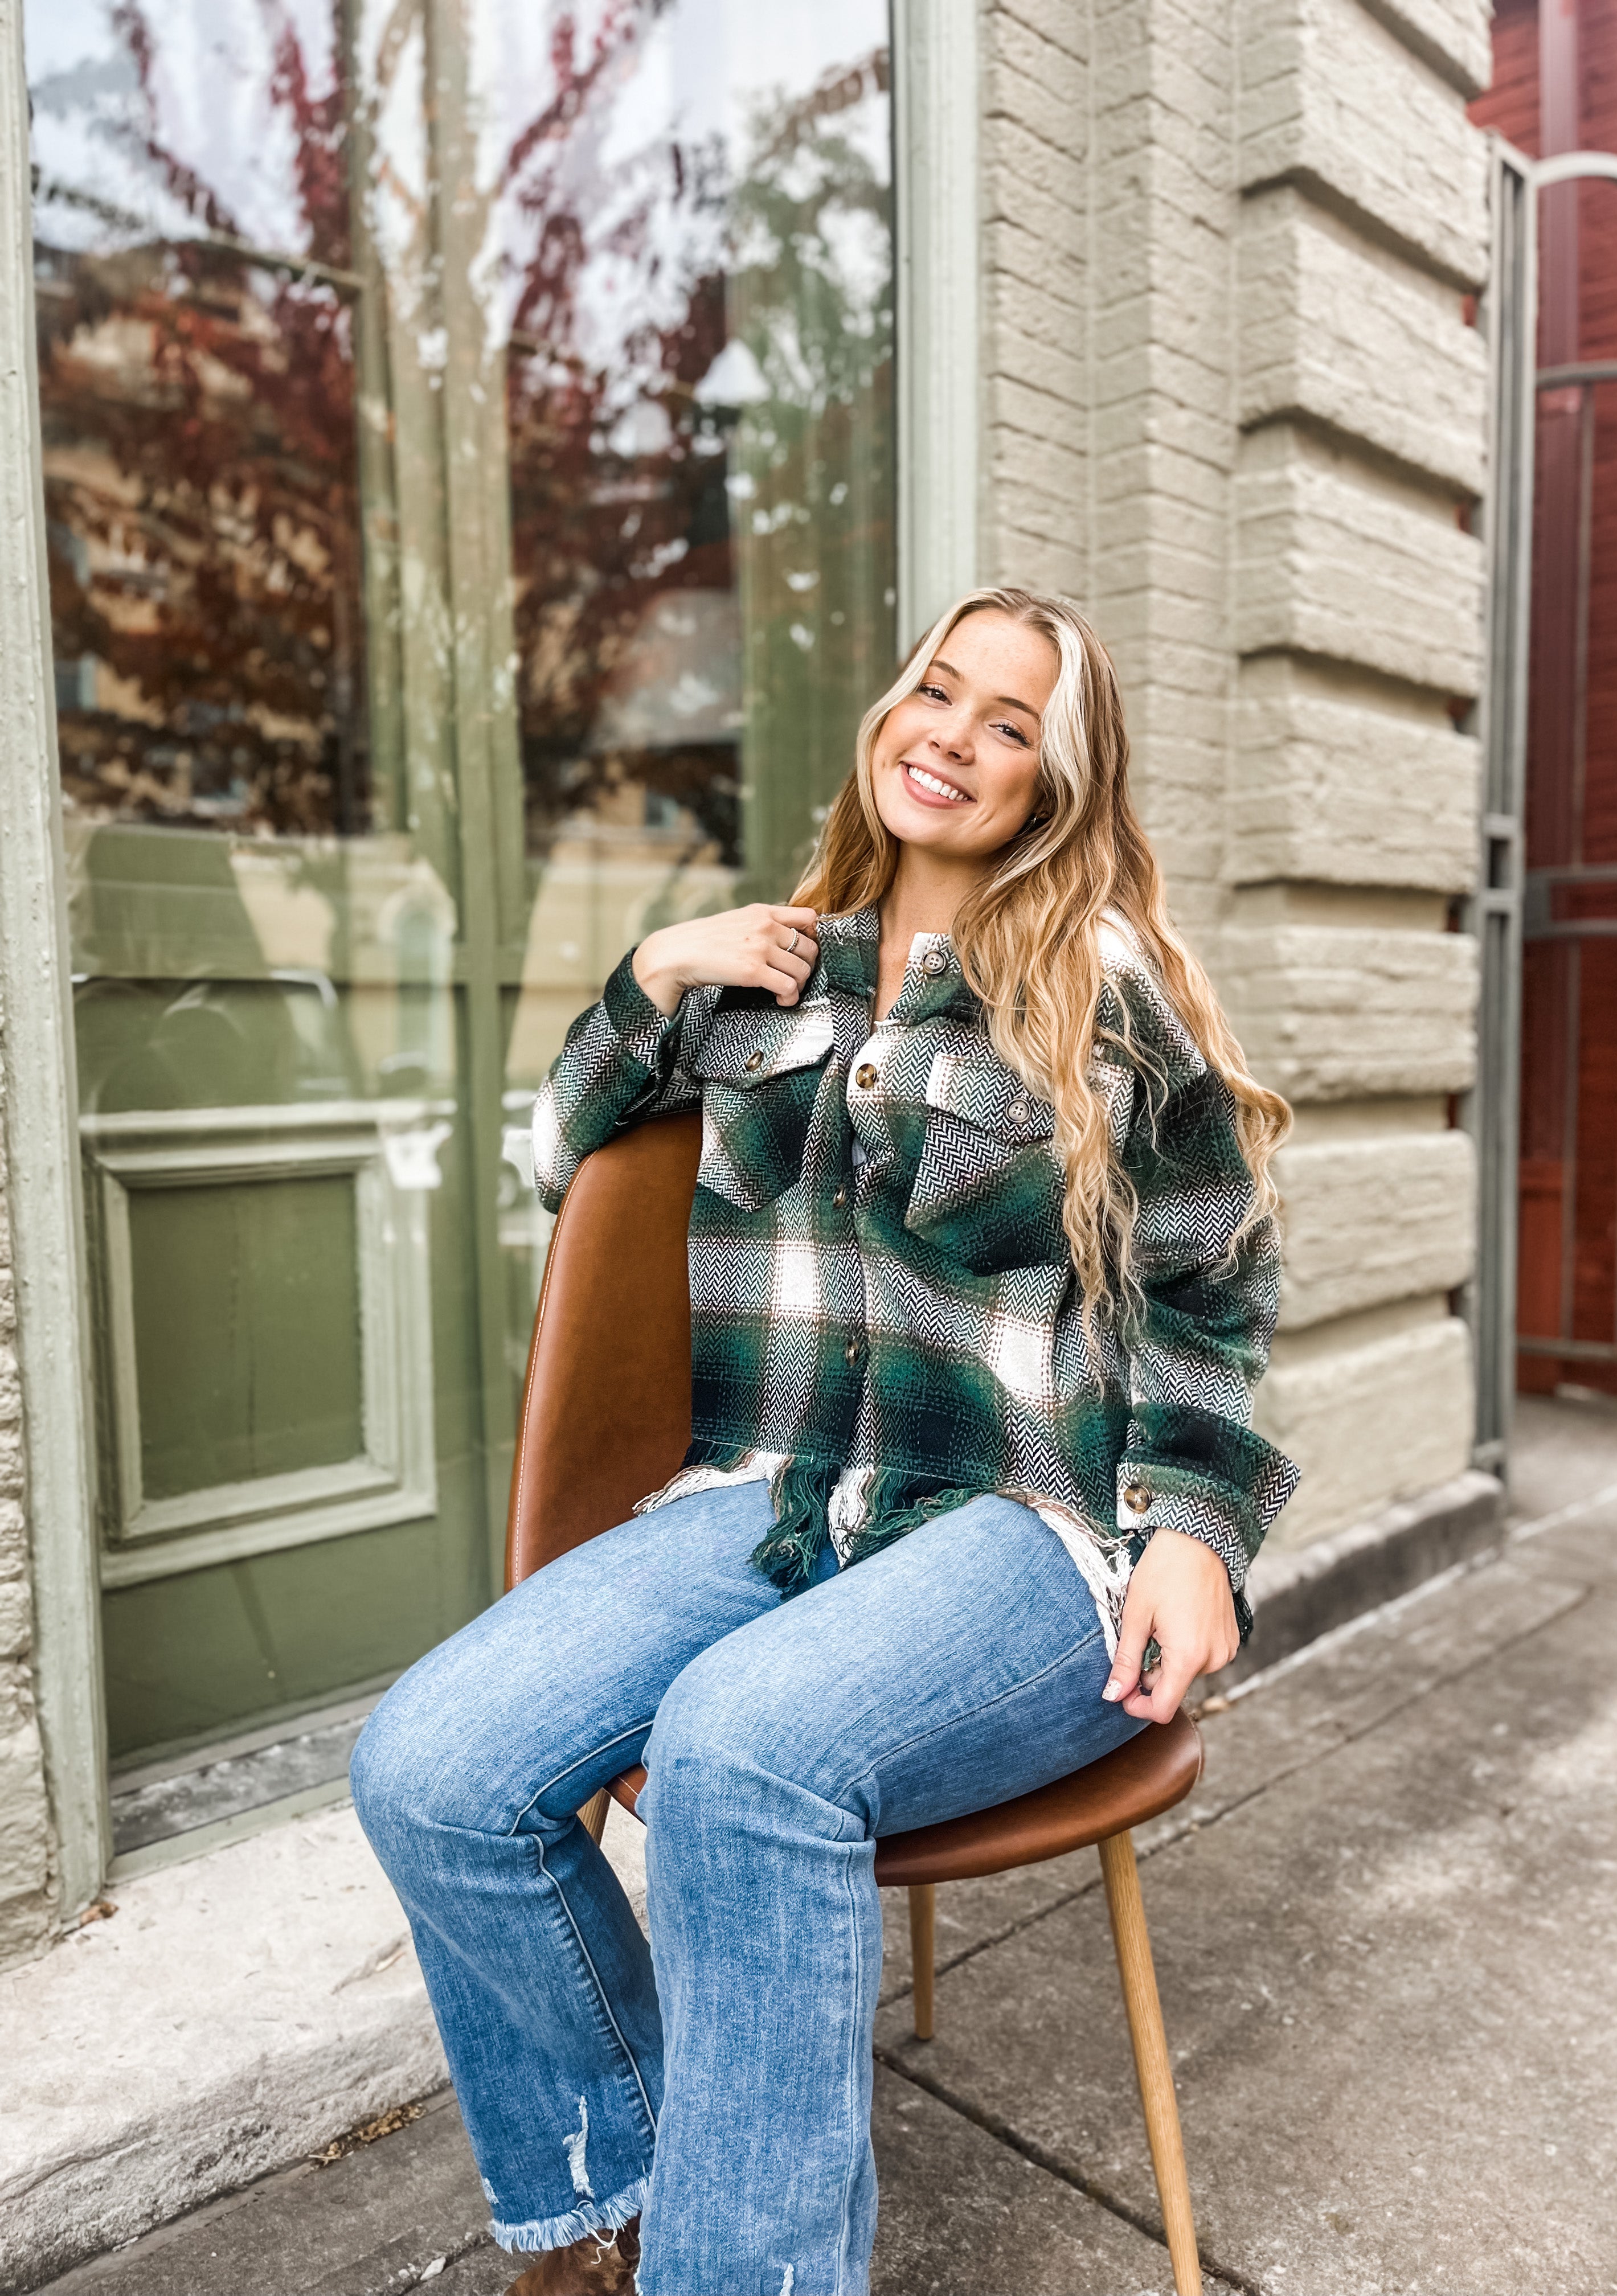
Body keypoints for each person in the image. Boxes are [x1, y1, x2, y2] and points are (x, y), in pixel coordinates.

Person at [351, 587, 1297, 2295]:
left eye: (1015, 725)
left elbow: (1212, 1280)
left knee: (741, 1752)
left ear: (1057, 787)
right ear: (886, 719)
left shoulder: (1098, 983)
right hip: (782, 1500)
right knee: (433, 1769)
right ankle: (614, 2214)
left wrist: (1196, 1525)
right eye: (940, 692)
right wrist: (652, 978)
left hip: (1032, 1527)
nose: (958, 733)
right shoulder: (770, 964)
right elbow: (559, 1157)